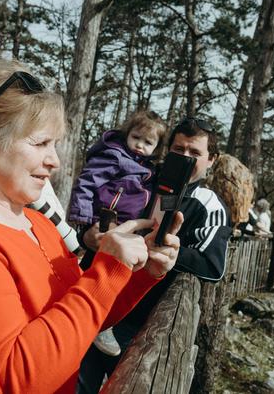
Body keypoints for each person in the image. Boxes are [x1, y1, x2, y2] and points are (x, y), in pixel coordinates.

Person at [0, 59, 183, 394]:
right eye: (39, 143)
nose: (55, 161)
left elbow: (79, 322)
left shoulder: (38, 224)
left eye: (55, 144)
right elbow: (13, 380)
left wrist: (140, 271)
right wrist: (106, 269)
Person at [76, 117, 232, 393]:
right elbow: (98, 210)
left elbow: (213, 266)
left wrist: (166, 250)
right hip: (93, 297)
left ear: (211, 160)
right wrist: (88, 234)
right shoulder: (140, 175)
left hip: (138, 323)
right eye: (178, 149)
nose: (185, 157)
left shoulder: (208, 204)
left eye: (195, 153)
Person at [68, 110, 166, 356]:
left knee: (113, 268)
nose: (140, 146)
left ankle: (98, 318)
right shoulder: (115, 156)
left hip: (126, 224)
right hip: (105, 218)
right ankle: (88, 318)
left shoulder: (148, 168)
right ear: (127, 134)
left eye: (148, 142)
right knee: (99, 266)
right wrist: (82, 217)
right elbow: (87, 182)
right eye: (136, 137)